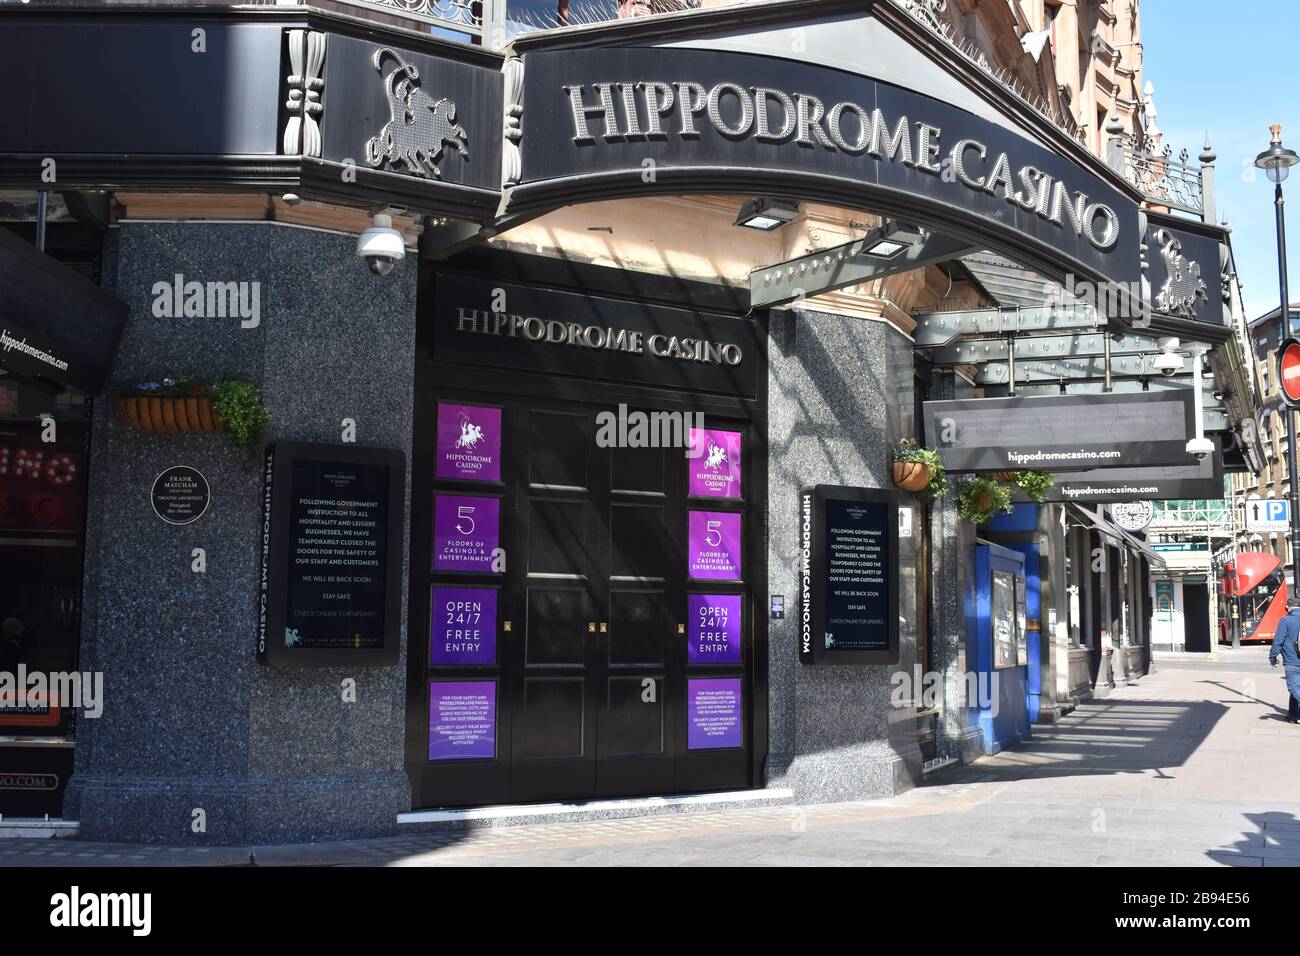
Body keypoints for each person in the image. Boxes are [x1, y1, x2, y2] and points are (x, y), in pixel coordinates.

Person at [1269, 596, 1300, 723]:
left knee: (1294, 688)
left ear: (1288, 607)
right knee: (1297, 688)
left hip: (1293, 661)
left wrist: (1273, 657)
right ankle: (1293, 715)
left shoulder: (1285, 620)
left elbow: (1278, 641)